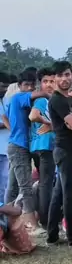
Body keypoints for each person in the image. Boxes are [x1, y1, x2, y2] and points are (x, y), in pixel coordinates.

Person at [47, 61, 72, 247]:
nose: (64, 79)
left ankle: (52, 235)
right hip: (64, 150)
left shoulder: (70, 98)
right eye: (60, 75)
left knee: (59, 194)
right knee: (69, 196)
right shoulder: (57, 100)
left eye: (67, 74)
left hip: (71, 149)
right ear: (55, 79)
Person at [5, 69, 46, 231]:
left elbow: (5, 116)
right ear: (20, 85)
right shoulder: (19, 97)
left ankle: (7, 221)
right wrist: (50, 92)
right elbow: (37, 94)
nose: (30, 88)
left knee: (13, 186)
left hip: (18, 145)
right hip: (19, 147)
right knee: (25, 187)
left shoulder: (19, 101)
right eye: (26, 85)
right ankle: (32, 225)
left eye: (32, 85)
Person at [29, 67, 56, 230]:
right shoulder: (41, 101)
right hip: (45, 147)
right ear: (40, 84)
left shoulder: (51, 101)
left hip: (40, 147)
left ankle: (44, 216)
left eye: (52, 81)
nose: (49, 85)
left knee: (45, 182)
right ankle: (46, 220)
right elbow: (33, 116)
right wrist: (50, 124)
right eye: (45, 81)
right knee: (46, 183)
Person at [0, 71, 10, 201]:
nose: (5, 90)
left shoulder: (7, 100)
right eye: (2, 86)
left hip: (6, 149)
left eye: (7, 87)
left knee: (4, 184)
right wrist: (7, 124)